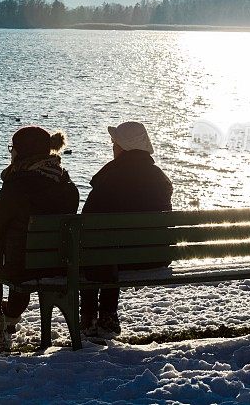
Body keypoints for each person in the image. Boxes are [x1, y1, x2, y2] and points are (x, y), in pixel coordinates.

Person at [0, 126, 79, 348]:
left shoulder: (17, 184)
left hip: (19, 265)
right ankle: (12, 319)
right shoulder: (67, 184)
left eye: (12, 148)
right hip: (59, 264)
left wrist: (3, 245)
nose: (11, 153)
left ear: (22, 152)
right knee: (19, 256)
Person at [80, 121, 173, 338]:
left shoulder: (110, 178)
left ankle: (89, 317)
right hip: (155, 257)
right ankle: (108, 317)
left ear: (123, 148)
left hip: (115, 261)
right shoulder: (160, 179)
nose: (113, 148)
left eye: (115, 144)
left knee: (97, 250)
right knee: (111, 249)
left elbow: (86, 222)